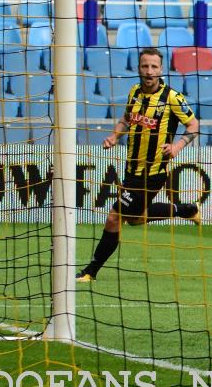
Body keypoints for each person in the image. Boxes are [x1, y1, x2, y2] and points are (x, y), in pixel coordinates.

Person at [76, 48, 202, 282]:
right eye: (145, 66)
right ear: (139, 69)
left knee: (115, 216)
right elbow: (125, 118)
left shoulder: (172, 98)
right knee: (134, 218)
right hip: (131, 169)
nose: (149, 71)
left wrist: (177, 147)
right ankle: (186, 210)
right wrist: (115, 136)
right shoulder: (134, 92)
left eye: (154, 67)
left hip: (154, 172)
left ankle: (90, 272)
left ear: (161, 70)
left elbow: (193, 125)